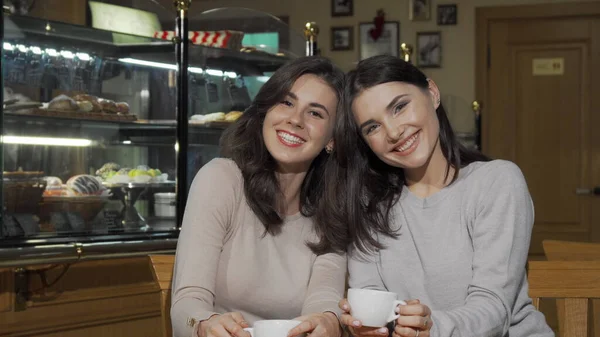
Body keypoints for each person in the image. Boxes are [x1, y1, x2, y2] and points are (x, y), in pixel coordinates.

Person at [335, 55, 554, 337]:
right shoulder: (368, 207)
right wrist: (365, 326)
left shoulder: (496, 182)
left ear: (433, 93)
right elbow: (372, 298)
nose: (393, 132)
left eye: (400, 107)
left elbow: (494, 310)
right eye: (373, 127)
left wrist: (432, 328)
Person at [171, 56, 348, 337]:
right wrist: (204, 323)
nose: (295, 120)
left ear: (332, 139)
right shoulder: (220, 180)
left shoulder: (332, 207)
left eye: (315, 113)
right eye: (286, 102)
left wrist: (329, 320)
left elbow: (324, 299)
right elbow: (186, 303)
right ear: (266, 110)